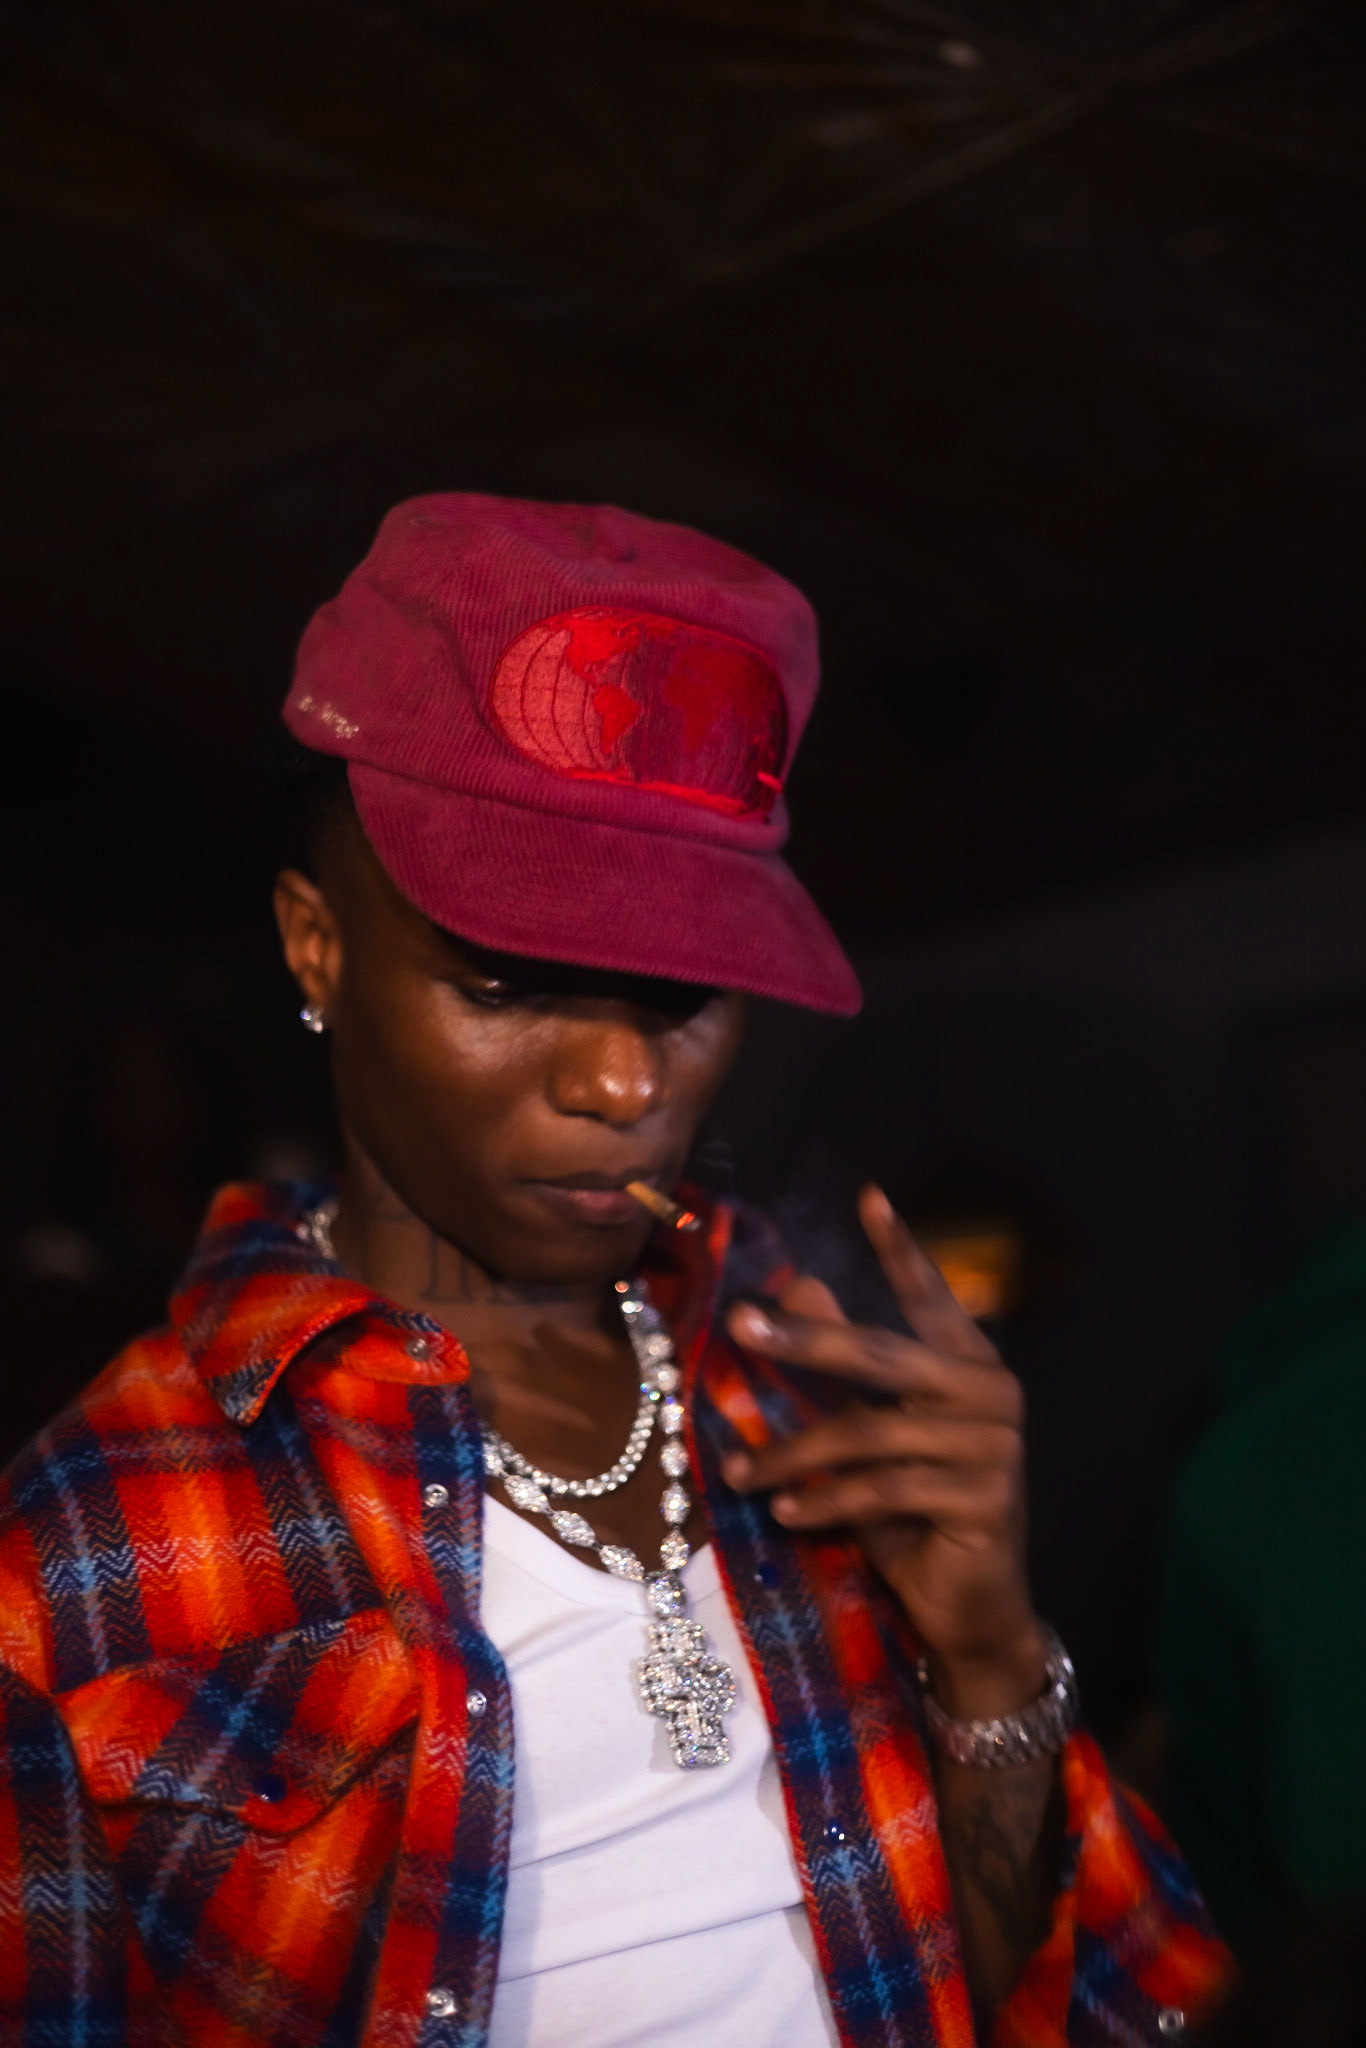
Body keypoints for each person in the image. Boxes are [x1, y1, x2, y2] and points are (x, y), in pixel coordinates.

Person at [0, 494, 1228, 2046]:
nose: (621, 1084)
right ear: (317, 948)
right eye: (508, 984)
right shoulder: (90, 1547)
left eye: (681, 996)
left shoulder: (805, 1372)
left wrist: (989, 1659)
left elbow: (995, 1995)